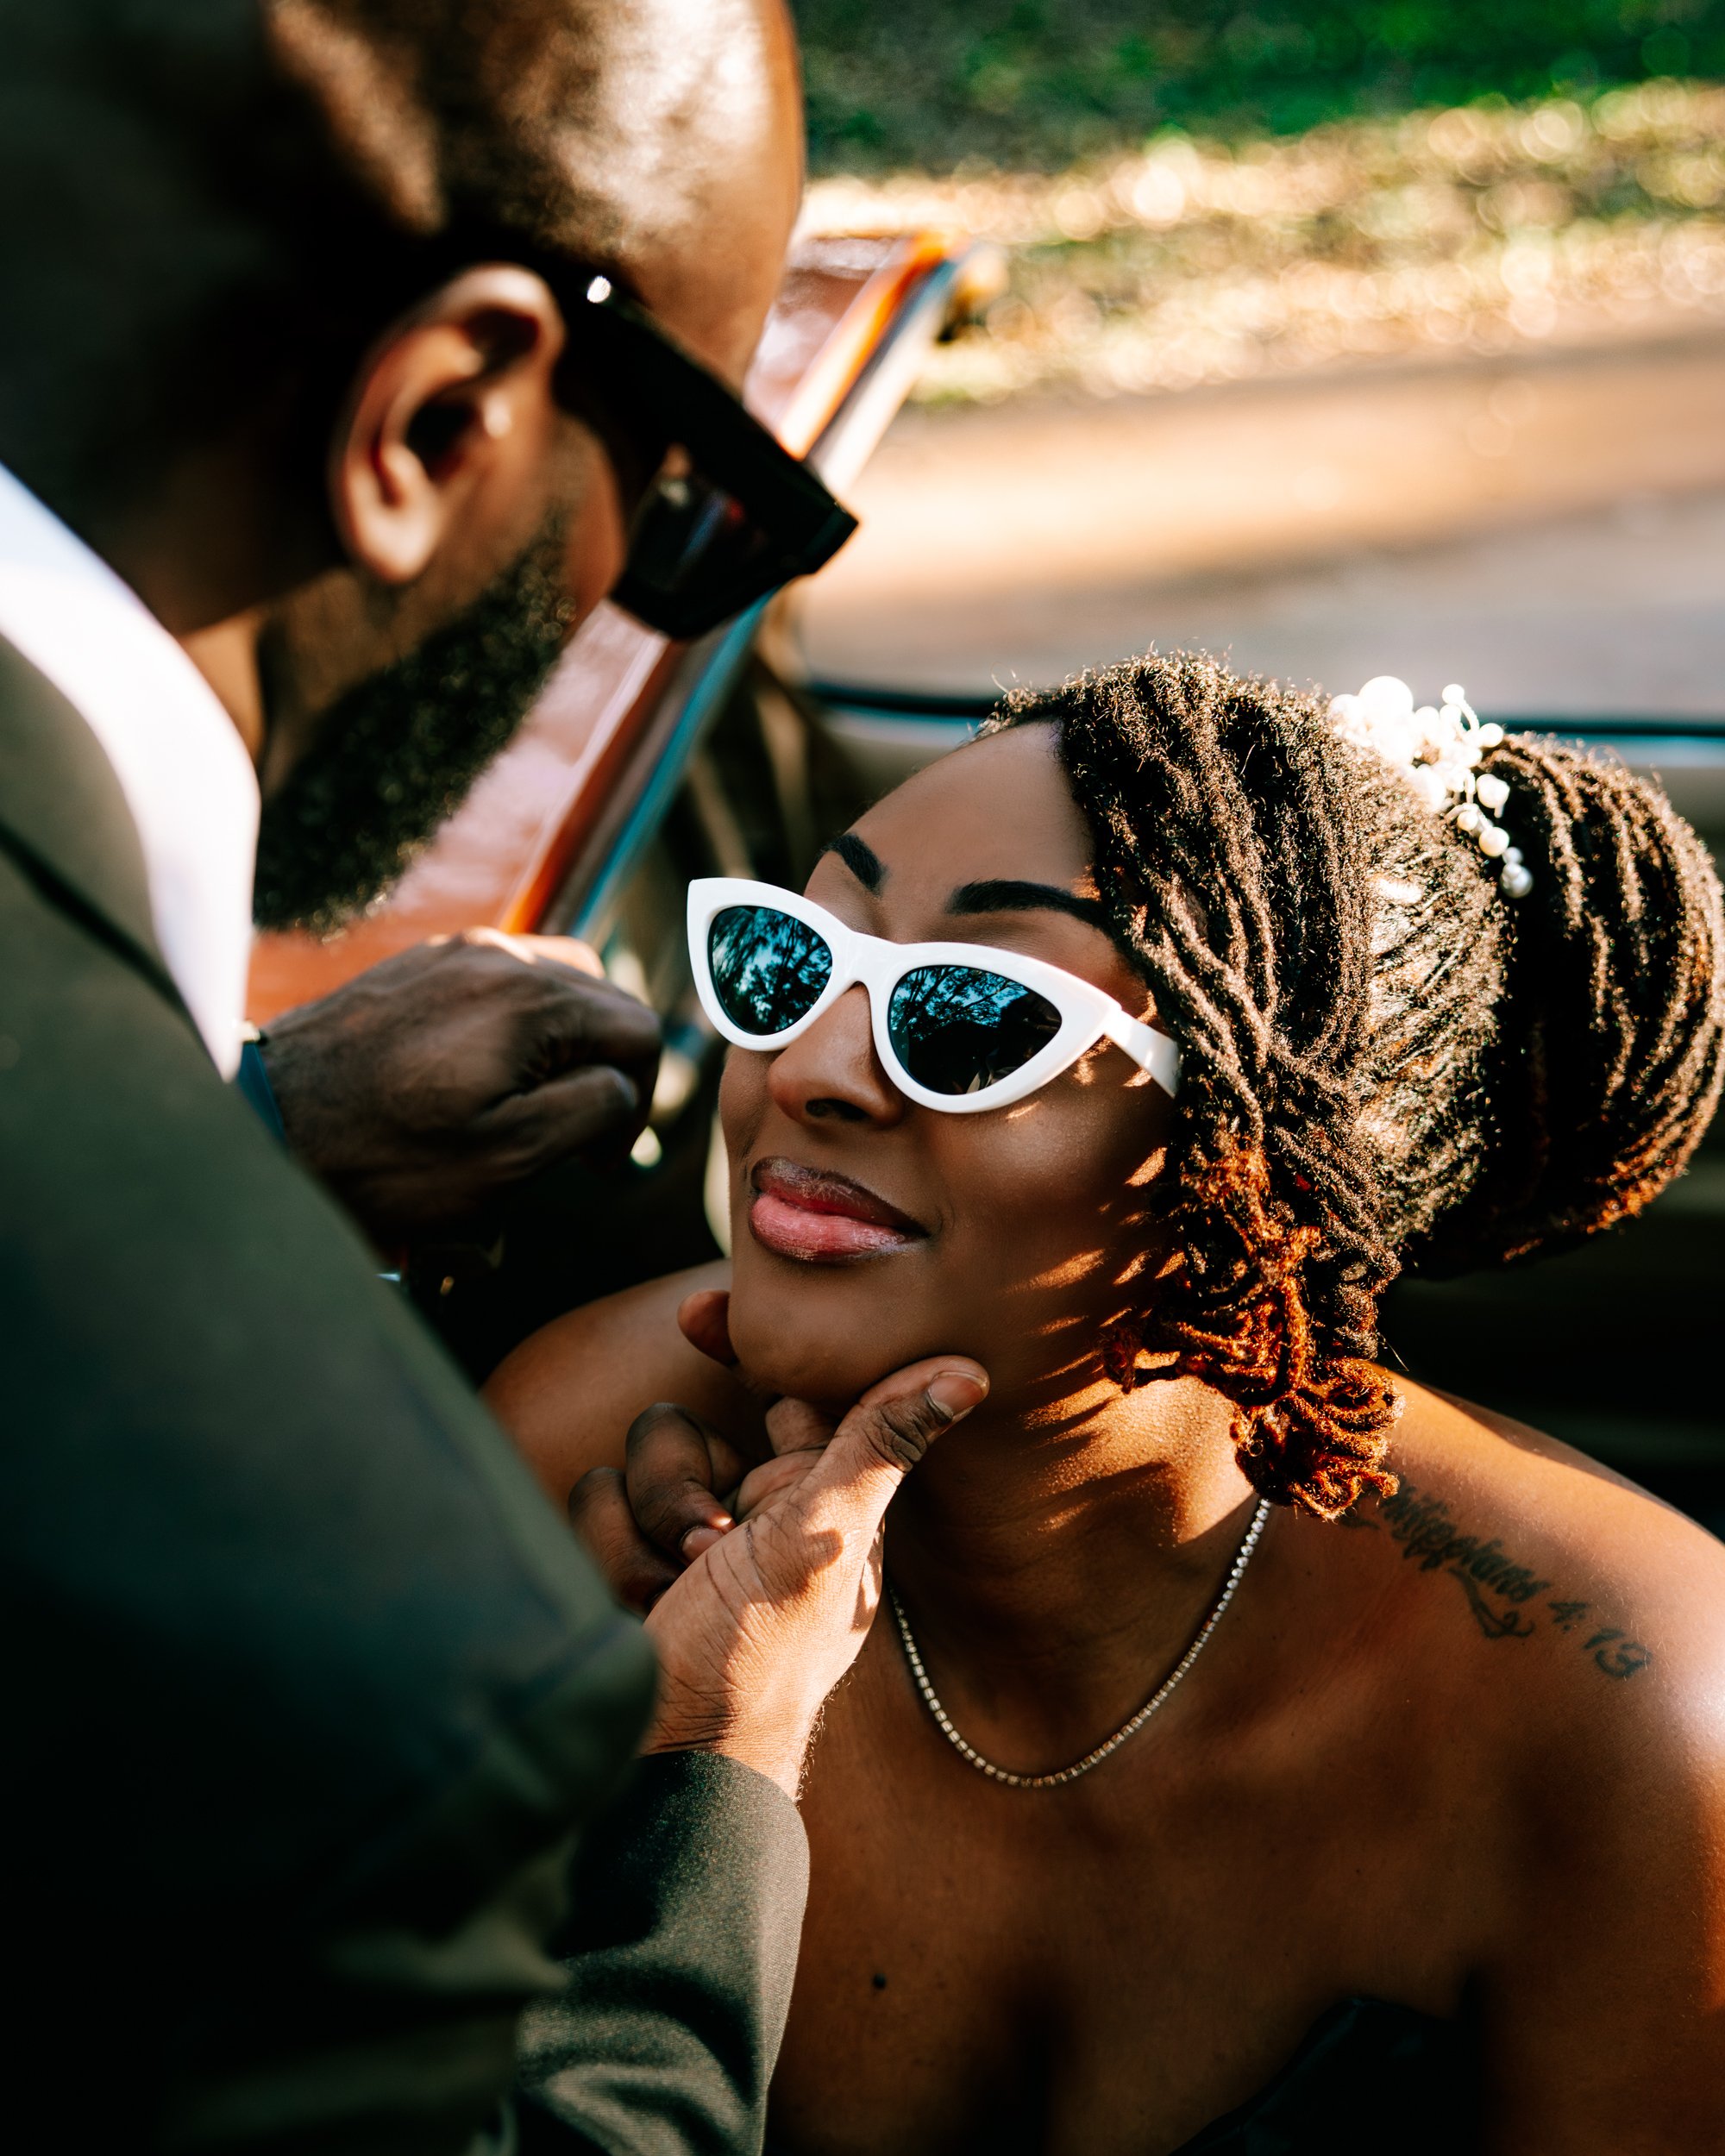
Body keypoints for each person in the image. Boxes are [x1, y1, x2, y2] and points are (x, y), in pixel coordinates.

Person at [0, 4, 980, 2148]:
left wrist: (244, 1133)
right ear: (439, 415)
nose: (822, 1066)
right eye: (686, 505)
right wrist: (704, 1792)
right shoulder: (372, 1655)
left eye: (972, 1010)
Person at [492, 651, 1725, 2153]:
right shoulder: (587, 1466)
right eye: (786, 957)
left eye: (970, 1015)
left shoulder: (1627, 1719)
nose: (805, 1068)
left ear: (1265, 1161)